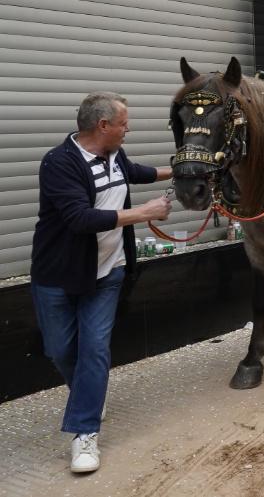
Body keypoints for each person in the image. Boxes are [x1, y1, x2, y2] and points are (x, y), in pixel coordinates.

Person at [31, 92, 173, 473]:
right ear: (103, 126)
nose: (129, 129)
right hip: (57, 276)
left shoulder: (115, 156)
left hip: (108, 272)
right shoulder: (59, 163)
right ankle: (88, 393)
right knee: (60, 350)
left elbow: (136, 172)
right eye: (124, 123)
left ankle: (84, 434)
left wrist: (180, 170)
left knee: (94, 349)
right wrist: (144, 212)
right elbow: (80, 219)